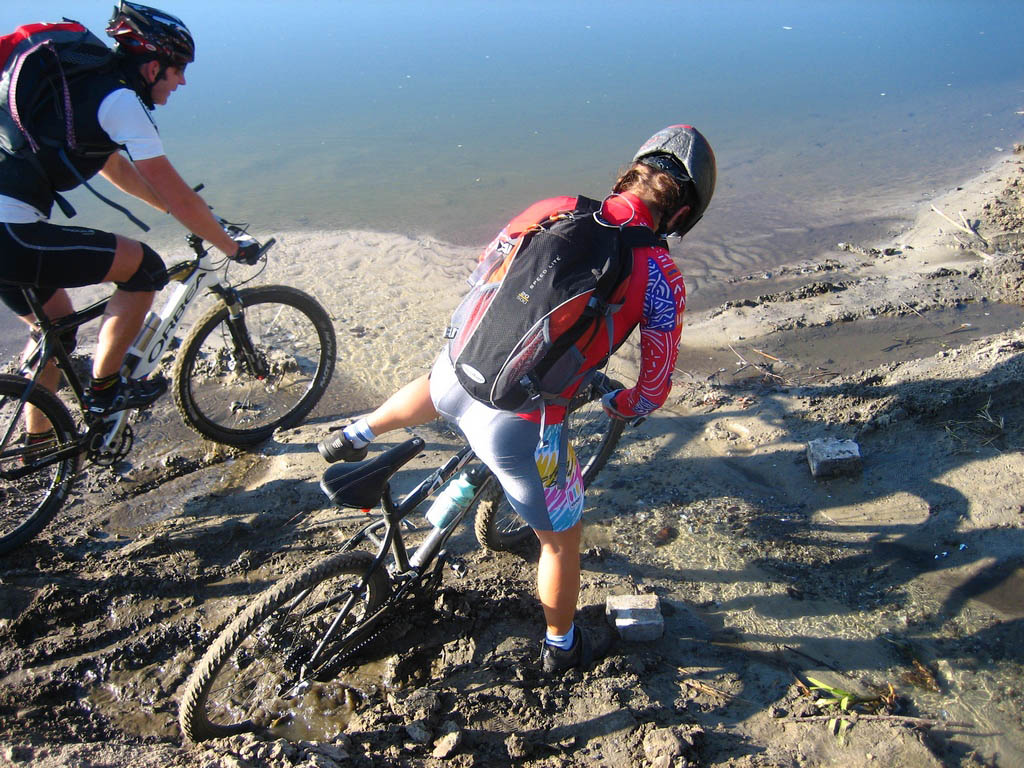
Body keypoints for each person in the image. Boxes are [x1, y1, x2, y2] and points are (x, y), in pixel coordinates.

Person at [320, 124, 716, 674]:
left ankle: (354, 434)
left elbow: (484, 269)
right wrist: (622, 406)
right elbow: (654, 387)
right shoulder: (661, 275)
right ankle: (562, 645)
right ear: (682, 214)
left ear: (630, 175)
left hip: (459, 369)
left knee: (438, 383)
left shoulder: (557, 207)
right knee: (562, 539)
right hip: (521, 424)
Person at [0, 2, 259, 445]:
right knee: (145, 269)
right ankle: (105, 390)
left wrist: (191, 216)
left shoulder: (82, 90)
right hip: (11, 232)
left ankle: (36, 446)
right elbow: (177, 192)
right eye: (178, 70)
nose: (182, 82)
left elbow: (115, 168)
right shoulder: (120, 101)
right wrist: (231, 246)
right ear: (154, 66)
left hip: (10, 229)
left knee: (56, 329)